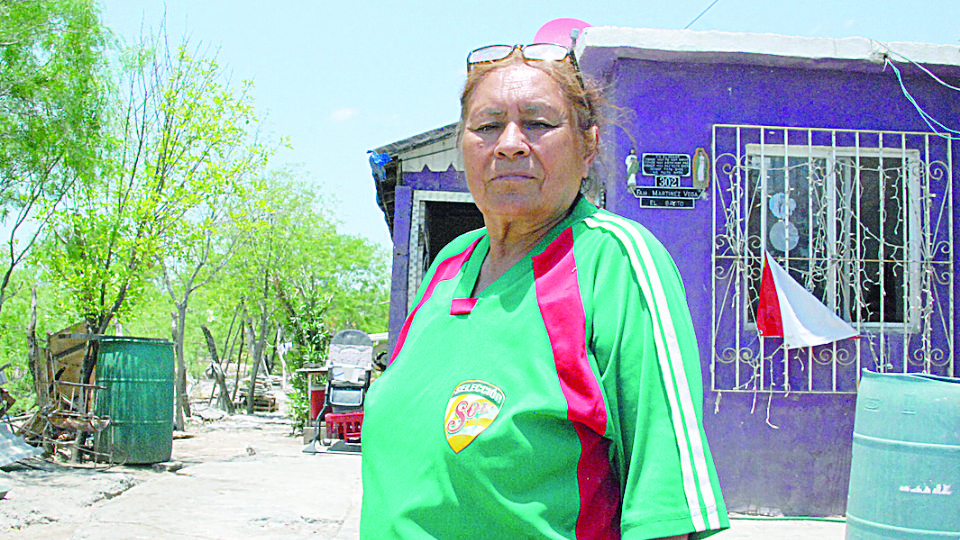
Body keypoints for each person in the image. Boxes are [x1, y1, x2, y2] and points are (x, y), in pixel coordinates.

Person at [360, 43, 729, 540]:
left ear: (588, 145)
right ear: (461, 146)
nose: (509, 143)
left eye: (537, 123)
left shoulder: (615, 263)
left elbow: (663, 508)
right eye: (487, 126)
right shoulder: (447, 266)